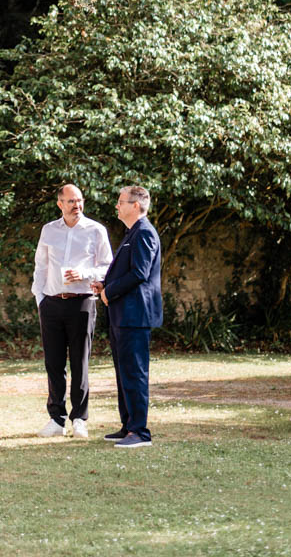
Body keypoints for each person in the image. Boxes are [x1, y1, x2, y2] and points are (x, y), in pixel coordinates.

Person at [32, 183, 113, 439]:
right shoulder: (48, 230)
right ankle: (56, 418)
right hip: (52, 303)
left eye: (79, 200)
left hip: (83, 303)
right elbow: (40, 267)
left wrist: (84, 273)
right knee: (53, 364)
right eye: (71, 201)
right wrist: (40, 299)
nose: (76, 205)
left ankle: (80, 418)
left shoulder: (96, 230)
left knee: (80, 362)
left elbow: (107, 267)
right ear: (60, 204)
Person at [94, 185, 163, 449]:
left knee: (134, 372)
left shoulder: (144, 232)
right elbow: (128, 271)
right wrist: (104, 285)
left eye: (121, 202)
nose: (117, 206)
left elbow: (140, 273)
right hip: (122, 314)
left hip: (135, 314)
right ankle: (128, 426)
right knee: (124, 372)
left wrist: (110, 291)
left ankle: (140, 432)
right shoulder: (131, 233)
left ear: (136, 205)